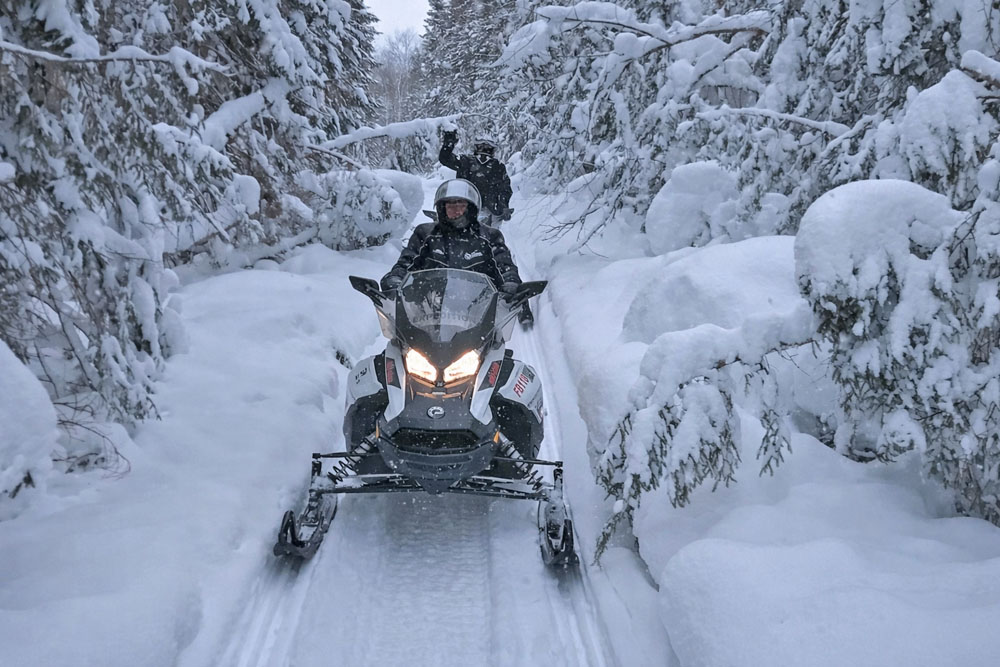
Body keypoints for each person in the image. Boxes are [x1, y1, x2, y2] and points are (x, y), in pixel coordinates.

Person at [381, 178, 534, 325]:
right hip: (429, 311)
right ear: (442, 208)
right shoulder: (425, 234)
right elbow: (407, 261)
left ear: (471, 207)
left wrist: (510, 282)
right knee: (397, 346)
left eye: (461, 204)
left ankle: (523, 312)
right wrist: (396, 277)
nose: (456, 210)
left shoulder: (490, 236)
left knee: (495, 346)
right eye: (450, 205)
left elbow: (505, 265)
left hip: (478, 311)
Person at [439, 131, 513, 228]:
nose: (484, 150)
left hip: (490, 209)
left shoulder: (498, 167)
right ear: (476, 147)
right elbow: (445, 159)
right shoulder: (465, 161)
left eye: (488, 147)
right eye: (481, 146)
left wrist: (503, 206)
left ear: (493, 149)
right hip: (465, 206)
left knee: (493, 236)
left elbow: (505, 189)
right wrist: (448, 144)